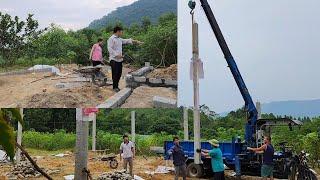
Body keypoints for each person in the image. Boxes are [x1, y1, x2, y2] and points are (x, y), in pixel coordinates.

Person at [107, 26, 143, 92]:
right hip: (113, 59)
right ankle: (115, 87)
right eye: (121, 31)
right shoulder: (111, 39)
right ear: (118, 31)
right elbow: (109, 48)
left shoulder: (119, 39)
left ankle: (116, 86)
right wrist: (116, 55)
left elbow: (127, 41)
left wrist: (137, 42)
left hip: (119, 60)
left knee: (119, 73)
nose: (122, 33)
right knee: (115, 73)